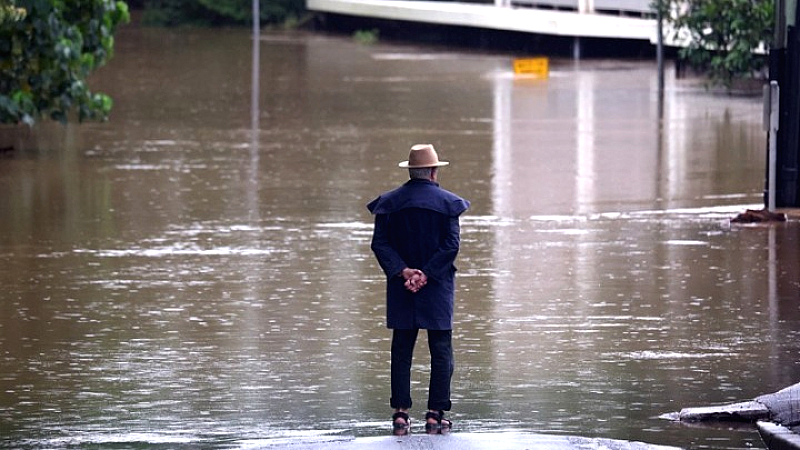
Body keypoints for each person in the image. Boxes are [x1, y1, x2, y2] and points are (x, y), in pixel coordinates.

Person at [366, 144, 470, 434]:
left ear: (411, 171)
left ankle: (400, 413)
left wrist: (404, 271)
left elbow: (380, 244)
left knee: (401, 349)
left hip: (402, 285)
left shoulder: (389, 203)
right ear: (434, 172)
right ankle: (436, 414)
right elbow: (451, 246)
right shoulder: (449, 204)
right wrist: (426, 273)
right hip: (437, 285)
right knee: (441, 349)